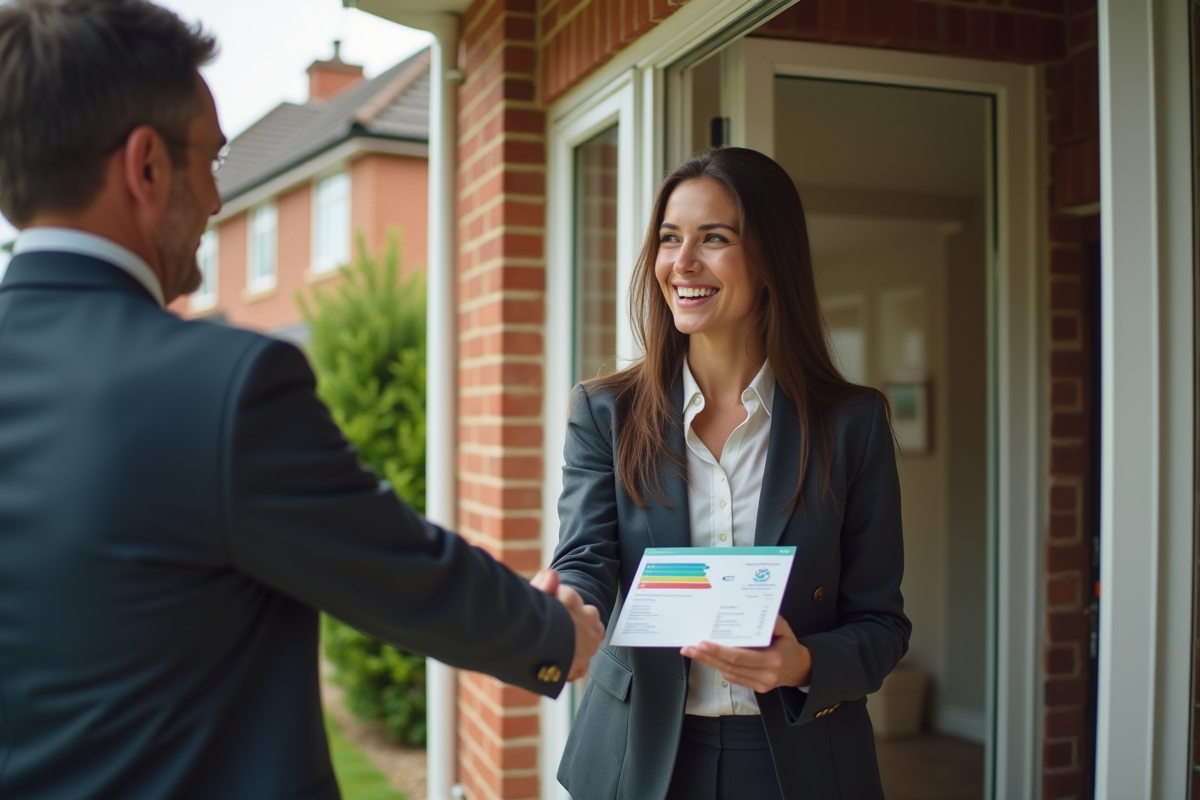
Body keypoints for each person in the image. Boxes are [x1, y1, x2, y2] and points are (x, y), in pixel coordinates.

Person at [0, 2, 604, 798]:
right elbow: (393, 567)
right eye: (211, 161)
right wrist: (557, 632)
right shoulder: (220, 386)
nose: (217, 201)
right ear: (145, 166)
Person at [550, 147, 911, 800]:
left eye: (714, 238)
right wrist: (565, 607)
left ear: (773, 258)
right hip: (640, 757)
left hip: (798, 764)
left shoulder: (852, 425)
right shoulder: (605, 413)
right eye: (670, 238)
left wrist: (803, 662)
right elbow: (586, 561)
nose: (682, 262)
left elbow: (882, 624)